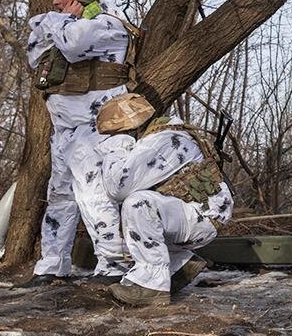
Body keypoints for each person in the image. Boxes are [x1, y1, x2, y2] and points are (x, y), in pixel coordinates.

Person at [17, 0, 132, 288]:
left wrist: (49, 23)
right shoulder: (71, 23)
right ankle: (53, 265)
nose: (55, 4)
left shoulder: (107, 23)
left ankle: (111, 264)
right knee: (60, 195)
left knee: (92, 192)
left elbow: (72, 44)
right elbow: (34, 53)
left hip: (96, 125)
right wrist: (52, 25)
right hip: (65, 128)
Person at [94, 93, 234, 307]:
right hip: (199, 215)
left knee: (137, 203)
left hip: (200, 218)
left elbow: (116, 188)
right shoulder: (169, 134)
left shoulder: (160, 143)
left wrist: (116, 147)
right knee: (144, 203)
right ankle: (179, 265)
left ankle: (152, 285)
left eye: (113, 134)